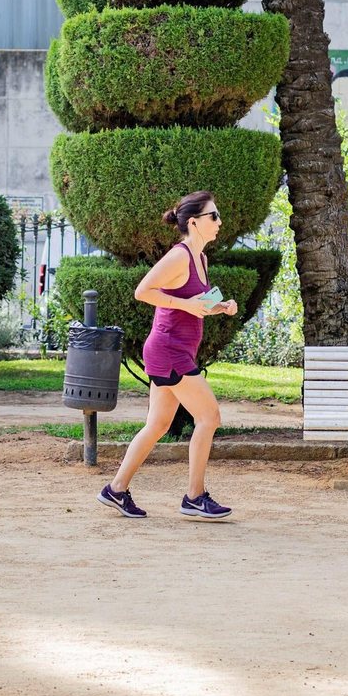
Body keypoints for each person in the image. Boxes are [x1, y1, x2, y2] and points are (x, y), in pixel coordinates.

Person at [98, 191, 237, 519]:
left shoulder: (200, 259)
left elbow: (196, 305)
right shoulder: (179, 256)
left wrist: (220, 307)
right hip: (169, 350)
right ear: (194, 222)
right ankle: (194, 497)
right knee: (209, 417)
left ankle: (115, 490)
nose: (219, 222)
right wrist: (185, 304)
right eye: (213, 216)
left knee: (158, 423)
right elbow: (143, 291)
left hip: (173, 349)